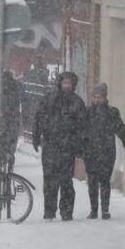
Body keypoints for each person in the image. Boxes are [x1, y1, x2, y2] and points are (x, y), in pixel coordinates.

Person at [32, 71, 86, 221]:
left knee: (66, 181)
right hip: (50, 146)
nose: (66, 86)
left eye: (69, 83)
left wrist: (80, 147)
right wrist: (36, 137)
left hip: (67, 148)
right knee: (49, 180)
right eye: (64, 83)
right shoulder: (49, 99)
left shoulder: (77, 102)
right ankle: (49, 211)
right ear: (60, 83)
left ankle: (66, 212)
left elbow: (82, 127)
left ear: (73, 85)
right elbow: (38, 118)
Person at [82, 82, 125, 220]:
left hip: (107, 152)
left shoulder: (111, 113)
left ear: (105, 98)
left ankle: (105, 210)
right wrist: (79, 148)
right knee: (92, 182)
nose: (97, 100)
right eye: (95, 97)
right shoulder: (87, 113)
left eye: (100, 97)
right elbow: (80, 132)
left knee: (105, 181)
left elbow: (121, 130)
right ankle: (93, 210)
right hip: (90, 152)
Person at [0, 69, 23, 170]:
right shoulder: (18, 85)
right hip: (14, 116)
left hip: (2, 116)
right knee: (12, 139)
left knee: (1, 138)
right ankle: (10, 159)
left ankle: (1, 159)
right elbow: (23, 101)